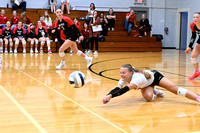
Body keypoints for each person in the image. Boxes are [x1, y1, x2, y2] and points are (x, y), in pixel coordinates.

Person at [102, 64, 200, 104]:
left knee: (175, 89)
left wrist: (110, 96)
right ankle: (153, 90)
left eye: (123, 73)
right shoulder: (124, 78)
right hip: (146, 83)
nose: (121, 75)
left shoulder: (137, 78)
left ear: (130, 73)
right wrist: (108, 95)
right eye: (120, 73)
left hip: (155, 76)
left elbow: (124, 90)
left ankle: (197, 98)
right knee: (149, 98)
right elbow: (118, 88)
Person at [185, 12, 200, 80]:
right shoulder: (192, 25)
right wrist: (189, 47)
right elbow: (193, 36)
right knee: (193, 57)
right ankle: (196, 72)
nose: (195, 19)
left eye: (197, 17)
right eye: (194, 17)